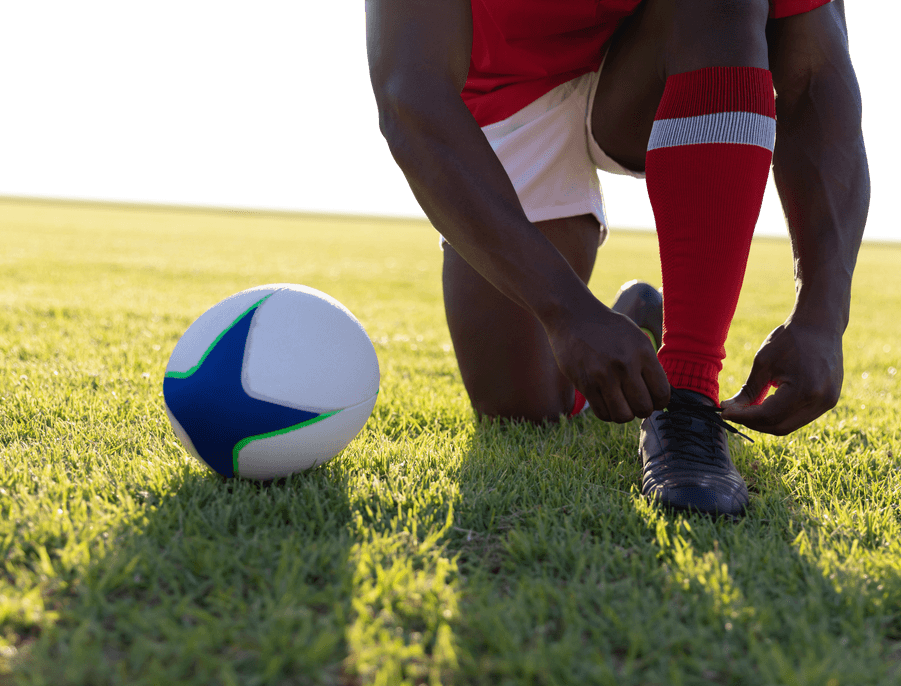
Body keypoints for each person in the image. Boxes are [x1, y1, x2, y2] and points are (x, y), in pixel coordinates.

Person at [364, 0, 870, 516]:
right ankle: (636, 322)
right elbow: (411, 93)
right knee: (525, 410)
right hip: (506, 86)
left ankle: (688, 392)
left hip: (654, 56)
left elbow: (813, 76)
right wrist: (568, 313)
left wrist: (823, 313)